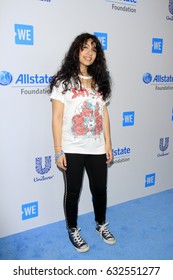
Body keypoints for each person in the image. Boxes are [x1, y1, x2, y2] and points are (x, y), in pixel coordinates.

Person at [50, 33, 116, 253]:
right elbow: (57, 117)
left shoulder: (100, 81)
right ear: (76, 51)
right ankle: (73, 229)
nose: (89, 53)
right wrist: (58, 150)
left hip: (97, 147)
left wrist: (108, 144)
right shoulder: (63, 81)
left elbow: (104, 114)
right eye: (85, 48)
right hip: (72, 148)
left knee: (100, 189)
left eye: (94, 49)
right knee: (74, 192)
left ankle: (100, 224)